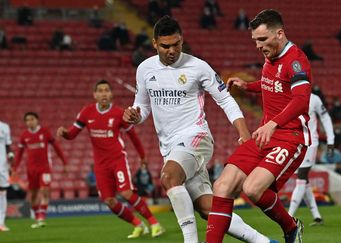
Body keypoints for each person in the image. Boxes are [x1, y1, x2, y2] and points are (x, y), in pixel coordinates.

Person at [123, 16, 275, 243]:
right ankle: (263, 242)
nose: (172, 50)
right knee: (208, 209)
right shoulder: (145, 69)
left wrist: (243, 132)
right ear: (155, 44)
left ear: (182, 41)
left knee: (169, 177)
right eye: (165, 46)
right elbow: (143, 106)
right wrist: (134, 115)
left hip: (196, 137)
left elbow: (225, 99)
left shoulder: (198, 67)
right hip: (170, 146)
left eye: (176, 44)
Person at [206, 9, 311, 243]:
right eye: (255, 41)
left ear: (280, 34)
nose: (258, 45)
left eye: (262, 39)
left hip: (291, 136)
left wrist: (273, 123)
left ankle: (291, 227)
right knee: (222, 186)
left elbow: (301, 100)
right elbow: (272, 84)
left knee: (253, 189)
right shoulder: (270, 55)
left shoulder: (296, 60)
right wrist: (248, 86)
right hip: (266, 133)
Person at [57, 80, 164, 239]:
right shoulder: (87, 112)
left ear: (111, 94)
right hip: (100, 165)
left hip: (117, 160)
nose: (103, 93)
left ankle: (155, 224)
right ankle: (138, 225)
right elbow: (72, 134)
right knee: (109, 201)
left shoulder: (119, 113)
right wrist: (65, 133)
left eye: (106, 90)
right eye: (100, 91)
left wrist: (142, 156)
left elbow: (133, 136)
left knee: (126, 193)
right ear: (95, 95)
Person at [14, 112, 67, 229]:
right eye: (27, 120)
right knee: (32, 195)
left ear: (37, 120)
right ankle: (38, 216)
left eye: (32, 119)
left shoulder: (45, 132)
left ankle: (41, 216)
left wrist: (64, 162)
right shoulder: (24, 135)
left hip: (44, 168)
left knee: (45, 191)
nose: (30, 122)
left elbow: (57, 147)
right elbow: (19, 154)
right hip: (31, 169)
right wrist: (14, 169)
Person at [288, 94, 334, 226]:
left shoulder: (314, 99)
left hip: (311, 143)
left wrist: (331, 140)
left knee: (301, 176)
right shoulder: (289, 96)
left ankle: (289, 216)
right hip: (296, 142)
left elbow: (325, 117)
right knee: (304, 180)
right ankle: (317, 216)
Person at [0, 120, 14, 232]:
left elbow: (7, 145)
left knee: (2, 192)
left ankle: (1, 222)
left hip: (2, 165)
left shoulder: (4, 127)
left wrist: (10, 155)